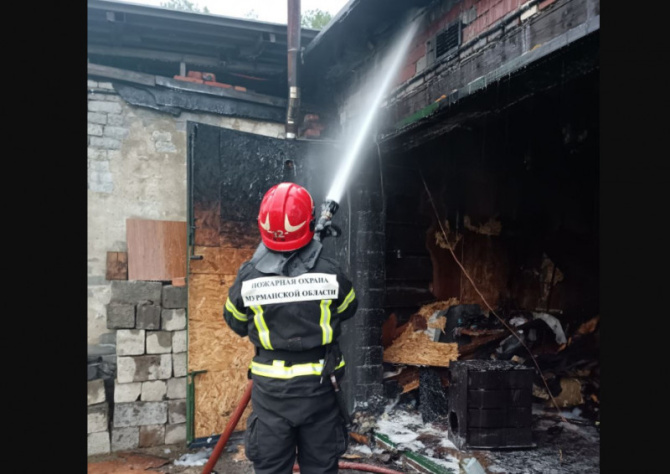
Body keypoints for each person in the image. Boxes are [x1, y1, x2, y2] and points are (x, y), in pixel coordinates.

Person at [223, 182, 358, 474]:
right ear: (309, 222)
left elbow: (235, 320)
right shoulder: (330, 272)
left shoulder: (249, 275)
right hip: (320, 387)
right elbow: (348, 309)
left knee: (271, 467)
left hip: (271, 393)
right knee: (321, 467)